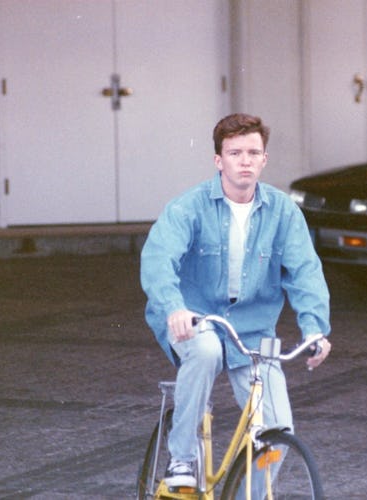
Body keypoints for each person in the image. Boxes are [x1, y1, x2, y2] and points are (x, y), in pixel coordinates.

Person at [140, 113, 332, 489]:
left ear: (264, 160)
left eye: (253, 152)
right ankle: (182, 458)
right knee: (208, 351)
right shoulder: (188, 207)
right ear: (219, 161)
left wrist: (315, 329)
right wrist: (174, 307)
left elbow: (306, 272)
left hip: (254, 327)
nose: (245, 160)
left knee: (277, 429)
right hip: (195, 319)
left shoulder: (283, 212)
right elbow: (158, 260)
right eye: (235, 152)